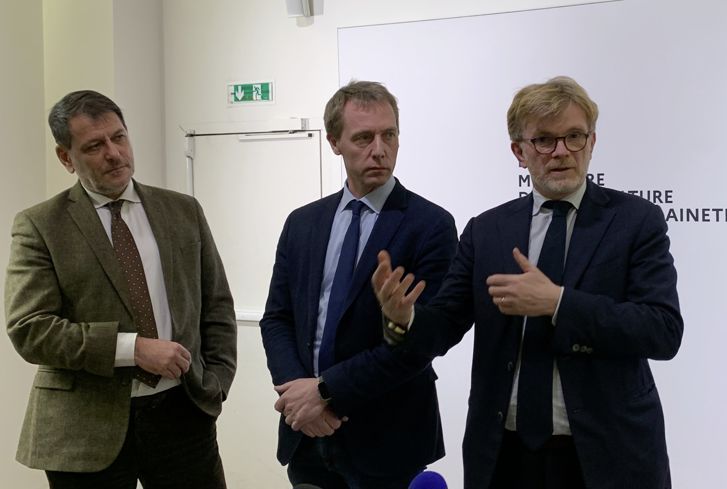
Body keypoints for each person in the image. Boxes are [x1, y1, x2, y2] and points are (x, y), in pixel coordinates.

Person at [374, 76, 683, 489]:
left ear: (592, 142)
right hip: (505, 455)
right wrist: (404, 319)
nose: (561, 151)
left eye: (574, 137)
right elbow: (444, 325)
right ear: (519, 151)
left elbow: (662, 331)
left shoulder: (635, 221)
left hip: (609, 453)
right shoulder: (487, 231)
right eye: (544, 140)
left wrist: (558, 303)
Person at [4, 90, 237, 488]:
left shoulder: (183, 211)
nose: (113, 153)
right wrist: (132, 349)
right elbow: (30, 329)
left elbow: (216, 306)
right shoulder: (41, 225)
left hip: (181, 416)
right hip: (83, 428)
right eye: (94, 146)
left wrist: (214, 384)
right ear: (66, 157)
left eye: (119, 137)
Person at [259, 80, 457, 489]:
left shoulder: (431, 225)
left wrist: (325, 392)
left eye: (389, 135)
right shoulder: (303, 223)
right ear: (334, 142)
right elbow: (277, 319)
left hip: (387, 439)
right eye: (364, 138)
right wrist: (299, 398)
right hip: (307, 436)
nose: (379, 149)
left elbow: (421, 344)